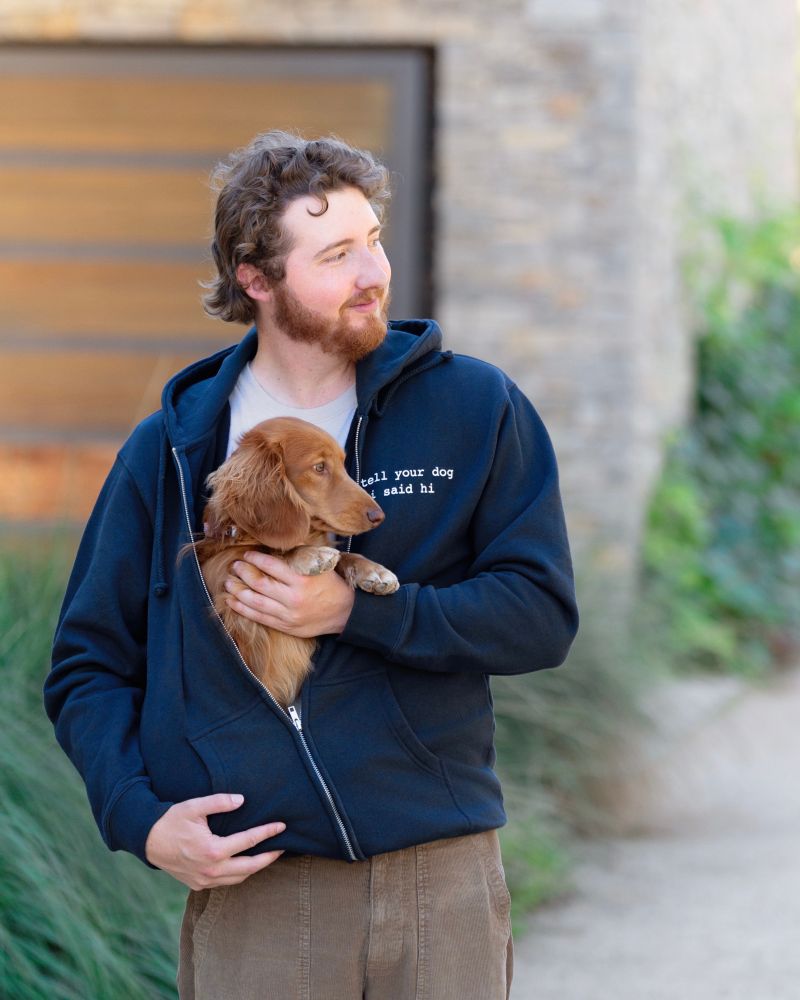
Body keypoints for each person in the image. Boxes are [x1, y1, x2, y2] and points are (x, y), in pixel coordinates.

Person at [45, 131, 578, 1000]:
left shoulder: (475, 407)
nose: (373, 272)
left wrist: (351, 612)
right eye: (336, 254)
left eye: (373, 241)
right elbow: (88, 665)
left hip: (437, 874)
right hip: (259, 887)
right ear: (257, 280)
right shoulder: (176, 450)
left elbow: (538, 615)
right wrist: (140, 820)